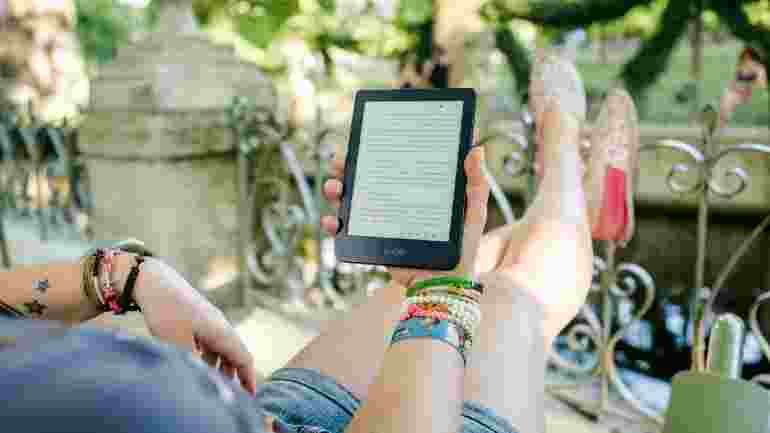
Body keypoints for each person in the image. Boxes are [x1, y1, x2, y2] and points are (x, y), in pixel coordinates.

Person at [0, 53, 640, 433]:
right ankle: (565, 152)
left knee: (476, 270)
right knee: (513, 297)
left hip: (276, 412)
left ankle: (579, 198)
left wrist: (128, 276)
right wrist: (439, 292)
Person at [718, 46, 768, 129]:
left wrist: (747, 86)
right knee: (727, 95)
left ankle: (722, 123)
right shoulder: (741, 67)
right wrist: (733, 86)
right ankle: (721, 124)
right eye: (745, 57)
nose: (746, 60)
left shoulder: (759, 69)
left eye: (749, 58)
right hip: (736, 91)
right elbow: (734, 81)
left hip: (746, 94)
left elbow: (761, 85)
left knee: (729, 99)